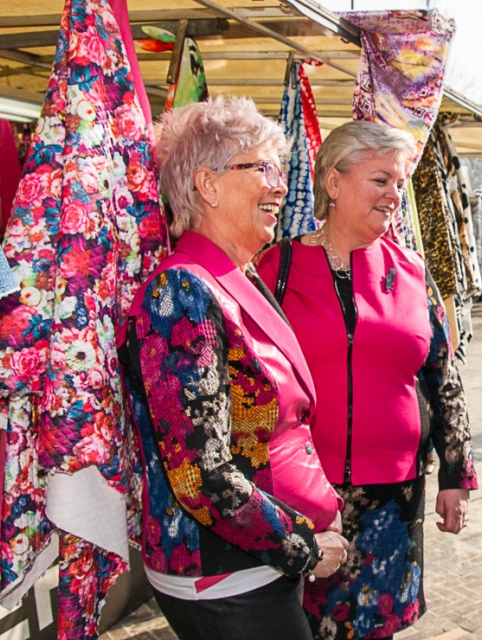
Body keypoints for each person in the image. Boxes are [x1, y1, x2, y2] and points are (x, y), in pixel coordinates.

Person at [118, 96, 349, 640]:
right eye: (263, 168)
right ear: (208, 184)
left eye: (280, 170)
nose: (281, 187)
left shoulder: (236, 276)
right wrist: (302, 547)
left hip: (254, 566)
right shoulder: (181, 292)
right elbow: (201, 475)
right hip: (224, 575)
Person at [255, 120, 478, 640]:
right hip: (302, 496)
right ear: (334, 182)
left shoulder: (413, 270)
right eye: (381, 180)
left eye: (399, 182)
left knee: (375, 630)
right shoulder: (276, 267)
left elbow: (443, 379)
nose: (394, 195)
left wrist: (456, 476)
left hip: (394, 501)